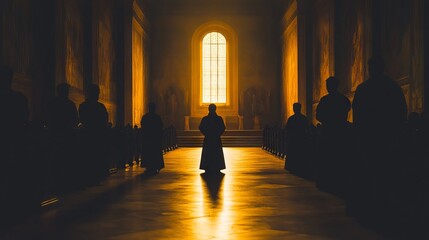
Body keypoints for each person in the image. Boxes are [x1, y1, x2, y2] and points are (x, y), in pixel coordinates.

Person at [351, 56, 407, 223]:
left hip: (369, 137)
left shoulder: (364, 88)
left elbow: (358, 114)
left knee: (369, 172)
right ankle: (386, 206)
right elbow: (401, 112)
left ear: (371, 68)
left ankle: (368, 207)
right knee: (386, 173)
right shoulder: (393, 88)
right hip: (388, 137)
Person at [315, 76, 351, 196]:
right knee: (339, 157)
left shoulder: (325, 100)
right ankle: (340, 181)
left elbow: (318, 116)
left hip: (328, 131)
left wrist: (328, 120)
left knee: (327, 157)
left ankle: (327, 182)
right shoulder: (343, 100)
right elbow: (347, 110)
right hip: (341, 131)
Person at [79, 84, 109, 184]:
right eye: (97, 93)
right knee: (95, 157)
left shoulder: (83, 106)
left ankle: (91, 177)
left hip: (89, 135)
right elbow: (104, 120)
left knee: (91, 157)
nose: (98, 95)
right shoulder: (100, 107)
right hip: (96, 135)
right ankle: (95, 177)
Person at [284, 103, 310, 175]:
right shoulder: (303, 118)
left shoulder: (291, 119)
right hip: (301, 139)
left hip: (294, 139)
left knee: (294, 154)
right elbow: (307, 128)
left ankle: (293, 167)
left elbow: (287, 129)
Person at [199, 104, 226, 173]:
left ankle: (207, 166)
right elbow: (222, 128)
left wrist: (207, 133)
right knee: (216, 153)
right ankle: (217, 166)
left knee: (208, 153)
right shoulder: (219, 118)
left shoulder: (205, 119)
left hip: (208, 138)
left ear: (209, 109)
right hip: (216, 138)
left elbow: (201, 127)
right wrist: (217, 134)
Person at [140, 102, 164, 174]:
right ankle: (155, 166)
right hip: (154, 138)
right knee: (154, 152)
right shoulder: (157, 117)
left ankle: (148, 166)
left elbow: (143, 126)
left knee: (149, 152)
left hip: (148, 138)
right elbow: (160, 127)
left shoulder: (145, 117)